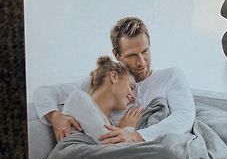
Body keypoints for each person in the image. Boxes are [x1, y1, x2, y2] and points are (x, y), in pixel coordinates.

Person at [34, 17, 196, 144]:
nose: (141, 62)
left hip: (147, 146)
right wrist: (55, 117)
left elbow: (184, 116)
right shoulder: (105, 81)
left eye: (145, 51)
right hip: (114, 150)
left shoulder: (171, 76)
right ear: (117, 55)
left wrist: (135, 135)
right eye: (132, 55)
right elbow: (44, 93)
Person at [62, 56, 140, 143]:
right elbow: (110, 145)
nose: (133, 97)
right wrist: (128, 129)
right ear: (114, 77)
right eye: (131, 87)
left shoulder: (110, 123)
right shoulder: (78, 99)